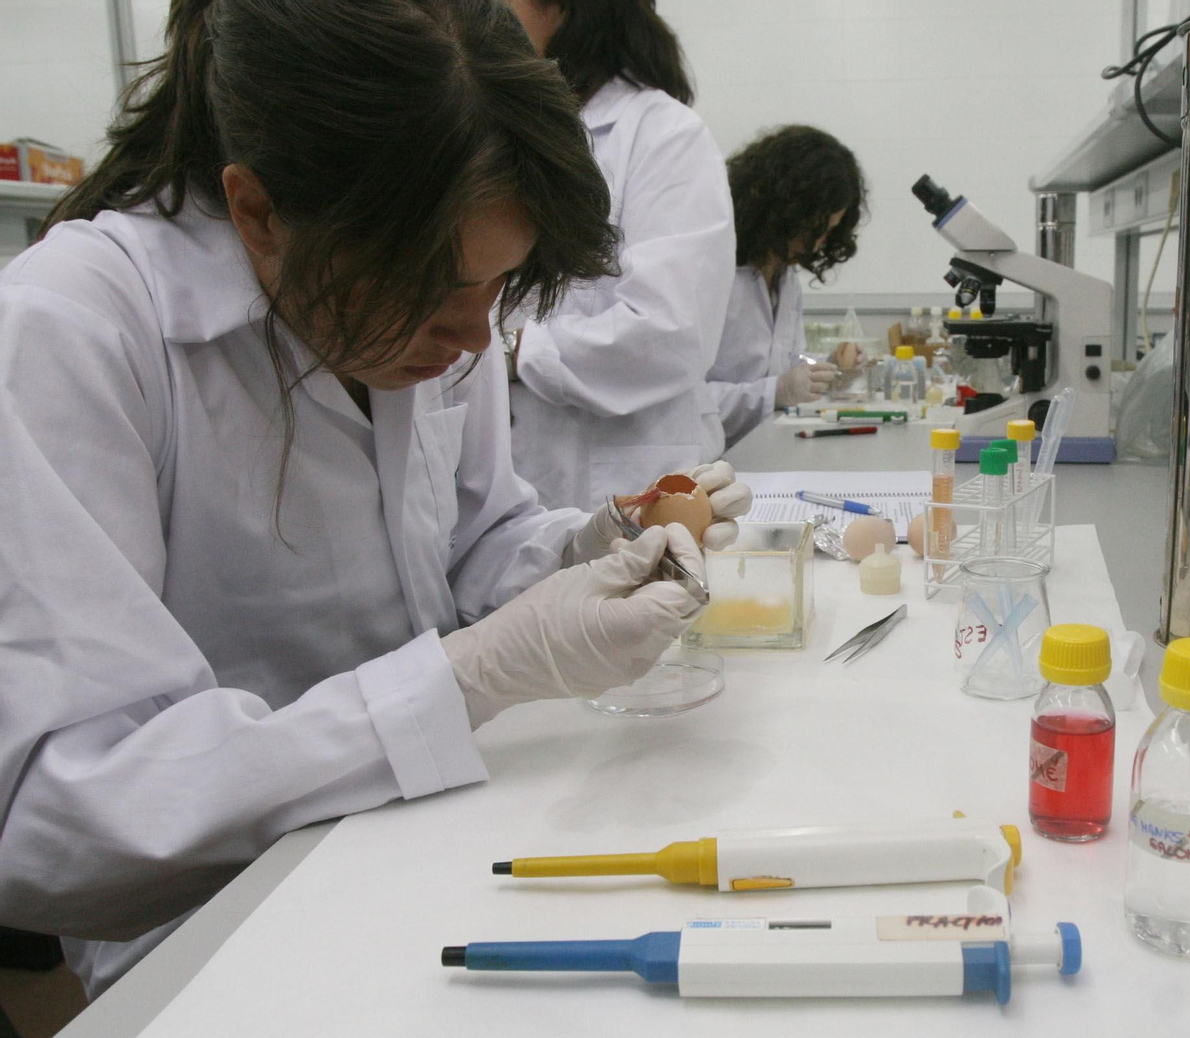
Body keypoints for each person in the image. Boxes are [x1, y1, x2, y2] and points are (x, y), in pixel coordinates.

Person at [0, 0, 747, 998]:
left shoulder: (429, 305)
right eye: (440, 284)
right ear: (259, 212)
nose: (478, 340)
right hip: (224, 938)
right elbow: (57, 823)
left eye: (499, 285)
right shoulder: (75, 329)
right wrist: (471, 675)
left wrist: (591, 554)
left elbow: (476, 543)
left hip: (436, 842)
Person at [505, 0, 735, 510]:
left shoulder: (663, 134)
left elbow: (669, 331)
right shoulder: (506, 124)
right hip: (514, 477)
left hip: (626, 475)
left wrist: (516, 354)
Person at [705, 126, 867, 453]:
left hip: (764, 450)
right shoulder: (714, 272)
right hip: (708, 460)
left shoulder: (784, 278)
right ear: (784, 209)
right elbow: (683, 401)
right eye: (817, 229)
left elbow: (786, 363)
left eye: (830, 232)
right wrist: (774, 392)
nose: (820, 243)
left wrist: (828, 367)